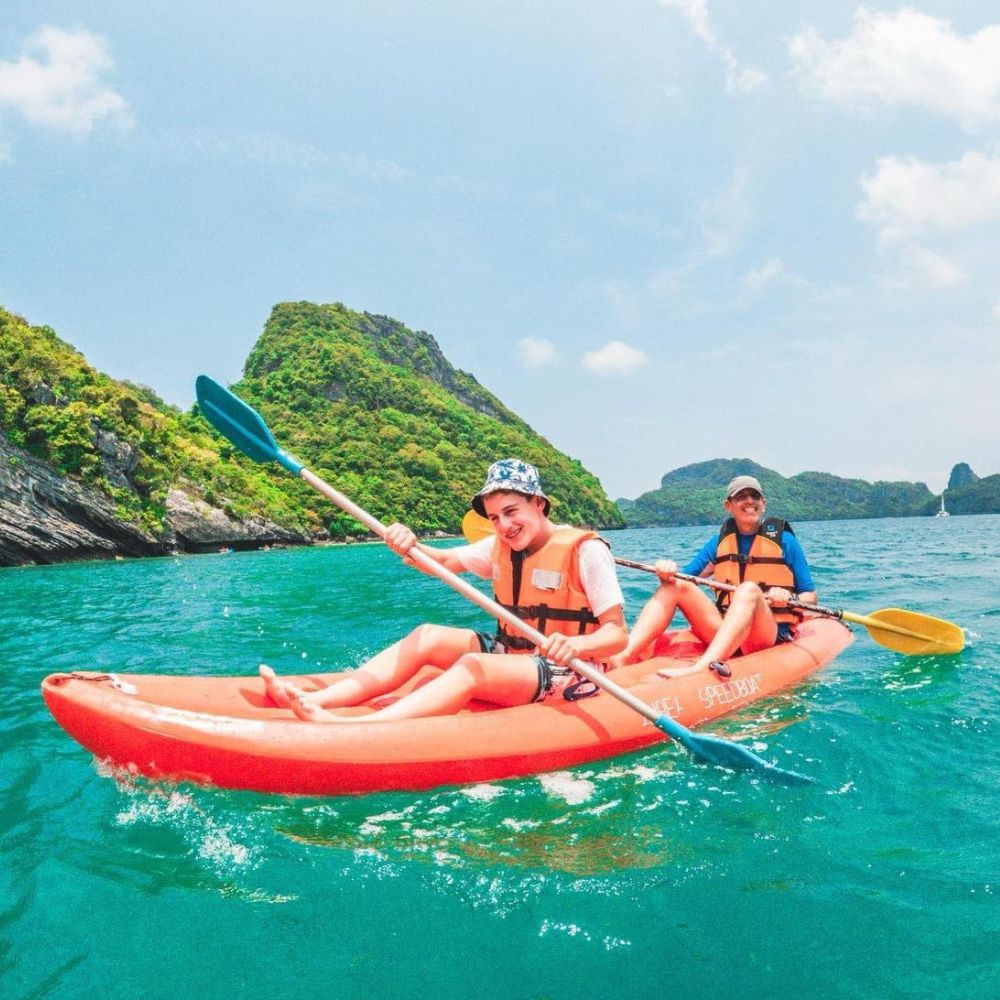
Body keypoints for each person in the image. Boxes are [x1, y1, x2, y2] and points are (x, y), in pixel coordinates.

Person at [260, 458, 627, 722]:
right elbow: (440, 562)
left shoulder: (587, 551)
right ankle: (317, 699)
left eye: (512, 511)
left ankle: (359, 726)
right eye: (495, 517)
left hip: (573, 668)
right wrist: (406, 543)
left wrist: (576, 645)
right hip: (515, 653)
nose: (504, 525)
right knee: (428, 636)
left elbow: (617, 635)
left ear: (539, 503)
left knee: (473, 666)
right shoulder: (498, 547)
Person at [610, 474, 817, 678]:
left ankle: (701, 668)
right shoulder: (719, 543)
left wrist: (790, 599)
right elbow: (681, 579)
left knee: (748, 590)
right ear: (728, 505)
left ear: (763, 504)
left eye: (754, 496)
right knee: (675, 585)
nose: (749, 501)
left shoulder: (785, 541)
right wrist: (666, 570)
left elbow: (811, 596)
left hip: (766, 633)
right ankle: (623, 657)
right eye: (741, 497)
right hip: (725, 628)